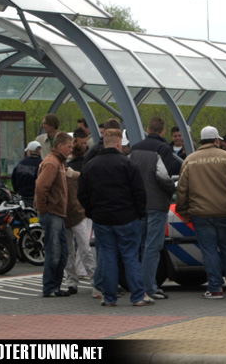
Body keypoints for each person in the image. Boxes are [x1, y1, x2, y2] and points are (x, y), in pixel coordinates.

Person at [78, 129, 152, 307]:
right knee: (130, 257)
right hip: (127, 218)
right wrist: (138, 213)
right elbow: (140, 193)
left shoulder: (90, 165)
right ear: (119, 144)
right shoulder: (128, 164)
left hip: (102, 219)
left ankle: (109, 297)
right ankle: (138, 296)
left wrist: (92, 212)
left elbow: (82, 194)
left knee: (108, 257)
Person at [176, 126, 226, 299]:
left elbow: (182, 189)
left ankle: (215, 288)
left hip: (200, 213)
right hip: (225, 211)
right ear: (217, 140)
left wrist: (183, 211)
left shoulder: (190, 160)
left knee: (209, 250)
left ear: (201, 141)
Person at [130, 140, 175, 300]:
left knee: (141, 246)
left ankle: (139, 285)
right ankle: (149, 287)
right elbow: (164, 177)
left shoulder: (132, 153)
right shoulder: (157, 155)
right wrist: (171, 190)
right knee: (153, 247)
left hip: (140, 206)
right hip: (157, 205)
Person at [35, 132, 73, 297]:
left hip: (57, 212)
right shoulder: (52, 163)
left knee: (62, 251)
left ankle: (54, 286)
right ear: (60, 146)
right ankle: (50, 287)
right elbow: (41, 187)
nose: (71, 150)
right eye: (69, 146)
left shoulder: (59, 162)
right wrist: (44, 209)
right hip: (52, 213)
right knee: (54, 251)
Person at [63, 167, 96, 295]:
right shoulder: (74, 176)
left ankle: (76, 282)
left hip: (73, 215)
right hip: (75, 215)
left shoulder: (75, 176)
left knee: (81, 249)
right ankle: (87, 281)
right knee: (77, 250)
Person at [11, 141, 42, 207]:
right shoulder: (42, 163)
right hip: (35, 198)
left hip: (21, 197)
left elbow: (14, 179)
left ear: (30, 151)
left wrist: (17, 191)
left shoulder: (21, 163)